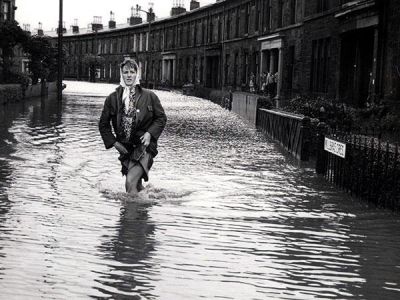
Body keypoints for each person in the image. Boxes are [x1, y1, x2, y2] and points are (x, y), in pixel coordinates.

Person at [99, 57, 167, 195]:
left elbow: (161, 118)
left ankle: (129, 215)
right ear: (121, 74)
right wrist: (114, 143)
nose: (129, 75)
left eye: (132, 72)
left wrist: (149, 134)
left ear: (137, 74)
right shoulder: (112, 98)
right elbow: (103, 125)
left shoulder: (150, 96)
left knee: (129, 182)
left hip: (145, 146)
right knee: (133, 185)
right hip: (125, 148)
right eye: (125, 72)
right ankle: (144, 209)